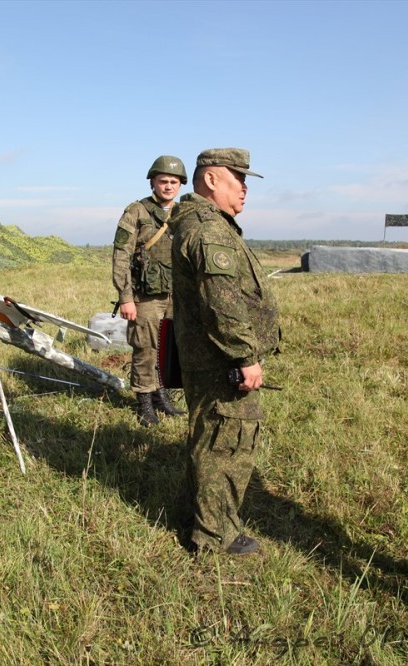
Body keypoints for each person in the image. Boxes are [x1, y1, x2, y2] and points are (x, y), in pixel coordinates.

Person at [170, 148, 280, 555]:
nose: (245, 188)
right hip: (221, 360)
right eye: (238, 178)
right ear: (212, 179)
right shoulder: (209, 229)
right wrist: (244, 356)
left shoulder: (209, 224)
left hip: (210, 356)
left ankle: (195, 515)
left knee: (209, 436)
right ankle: (215, 535)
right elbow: (221, 302)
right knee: (227, 443)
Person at [111, 155, 189, 427]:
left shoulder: (183, 213)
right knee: (145, 346)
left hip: (174, 293)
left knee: (168, 347)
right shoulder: (136, 211)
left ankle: (161, 395)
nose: (168, 186)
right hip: (144, 294)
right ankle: (144, 402)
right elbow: (121, 255)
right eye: (163, 181)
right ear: (153, 182)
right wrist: (126, 297)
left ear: (180, 184)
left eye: (174, 182)